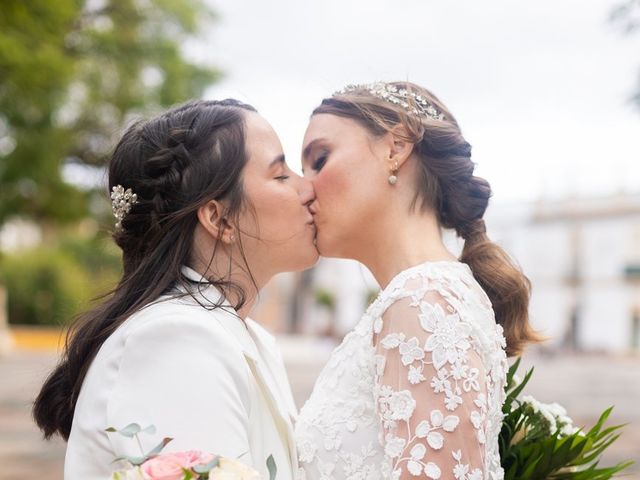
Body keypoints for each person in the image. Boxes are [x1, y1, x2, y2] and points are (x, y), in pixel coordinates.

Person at [33, 99, 318, 480]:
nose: (308, 188)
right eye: (281, 175)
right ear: (220, 218)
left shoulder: (247, 337)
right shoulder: (177, 339)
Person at [295, 82, 542, 480]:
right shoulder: (422, 296)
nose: (304, 188)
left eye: (320, 159)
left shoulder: (422, 301)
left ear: (395, 149)